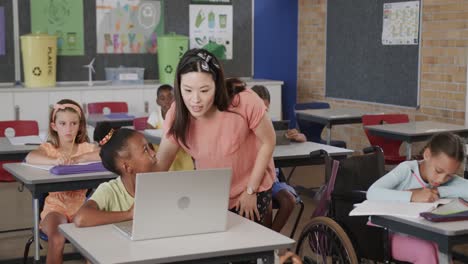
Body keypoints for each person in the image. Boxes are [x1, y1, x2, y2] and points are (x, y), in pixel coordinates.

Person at [155, 48, 276, 224]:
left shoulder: (243, 101)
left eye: (204, 91)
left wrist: (251, 191)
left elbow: (268, 142)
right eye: (187, 90)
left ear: (217, 84)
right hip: (211, 193)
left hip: (250, 189)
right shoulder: (177, 113)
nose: (195, 100)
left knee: (244, 245)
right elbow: (160, 165)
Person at [367, 132, 468, 264]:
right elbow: (372, 192)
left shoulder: (442, 179)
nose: (441, 179)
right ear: (427, 155)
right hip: (385, 234)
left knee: (441, 248)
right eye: (438, 171)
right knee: (426, 251)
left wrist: (438, 191)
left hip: (418, 233)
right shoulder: (407, 170)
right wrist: (412, 195)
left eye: (449, 175)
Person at [25, 99, 100, 264]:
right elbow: (30, 156)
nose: (68, 128)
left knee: (92, 243)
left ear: (80, 126)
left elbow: (103, 154)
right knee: (57, 238)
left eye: (73, 123)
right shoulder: (49, 149)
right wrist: (55, 160)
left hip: (82, 206)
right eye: (63, 123)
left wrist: (80, 158)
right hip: (55, 208)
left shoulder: (86, 148)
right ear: (54, 126)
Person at [74, 127, 158, 227]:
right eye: (145, 150)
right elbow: (81, 218)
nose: (153, 154)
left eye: (150, 147)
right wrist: (129, 214)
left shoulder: (159, 185)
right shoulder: (110, 191)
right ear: (127, 167)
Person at [250, 84, 303, 232]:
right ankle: (267, 242)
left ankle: (272, 239)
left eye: (265, 108)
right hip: (254, 181)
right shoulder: (246, 125)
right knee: (266, 207)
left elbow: (301, 138)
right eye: (258, 107)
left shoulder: (271, 123)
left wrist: (298, 136)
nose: (262, 112)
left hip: (273, 179)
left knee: (289, 200)